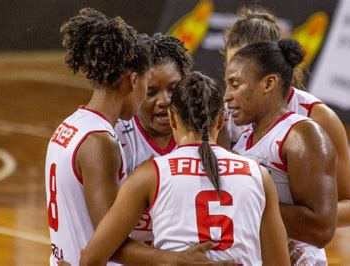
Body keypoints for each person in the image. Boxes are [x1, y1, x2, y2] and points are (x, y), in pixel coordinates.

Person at [46, 8, 219, 266]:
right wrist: (178, 260)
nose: (163, 101)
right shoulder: (101, 142)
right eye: (149, 87)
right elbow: (110, 241)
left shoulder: (70, 127)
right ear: (134, 80)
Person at [80, 72, 291, 266]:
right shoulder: (258, 175)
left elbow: (92, 257)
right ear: (220, 120)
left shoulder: (150, 174)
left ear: (172, 118)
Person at [223, 7, 350, 228]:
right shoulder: (222, 112)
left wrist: (268, 214)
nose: (232, 82)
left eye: (244, 70)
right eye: (230, 69)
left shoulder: (318, 118)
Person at [225, 39, 337, 265]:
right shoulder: (244, 138)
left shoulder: (302, 135)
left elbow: (322, 229)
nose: (227, 95)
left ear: (268, 84)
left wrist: (245, 201)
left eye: (235, 85)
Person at [114, 32, 193, 245]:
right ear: (134, 87)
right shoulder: (115, 136)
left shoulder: (202, 131)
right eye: (151, 92)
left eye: (173, 89)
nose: (164, 101)